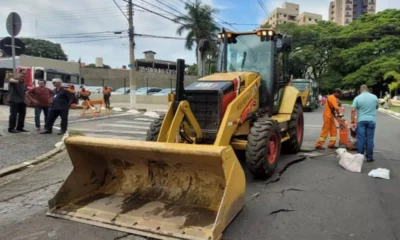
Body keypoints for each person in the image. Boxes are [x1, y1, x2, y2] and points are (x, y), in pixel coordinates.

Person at [351, 85, 379, 162]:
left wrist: (352, 121)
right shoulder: (374, 97)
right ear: (368, 90)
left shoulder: (357, 98)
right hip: (372, 120)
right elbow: (377, 107)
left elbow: (353, 110)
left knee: (360, 139)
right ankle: (370, 157)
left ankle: (360, 156)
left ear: (360, 90)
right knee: (370, 139)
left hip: (361, 121)